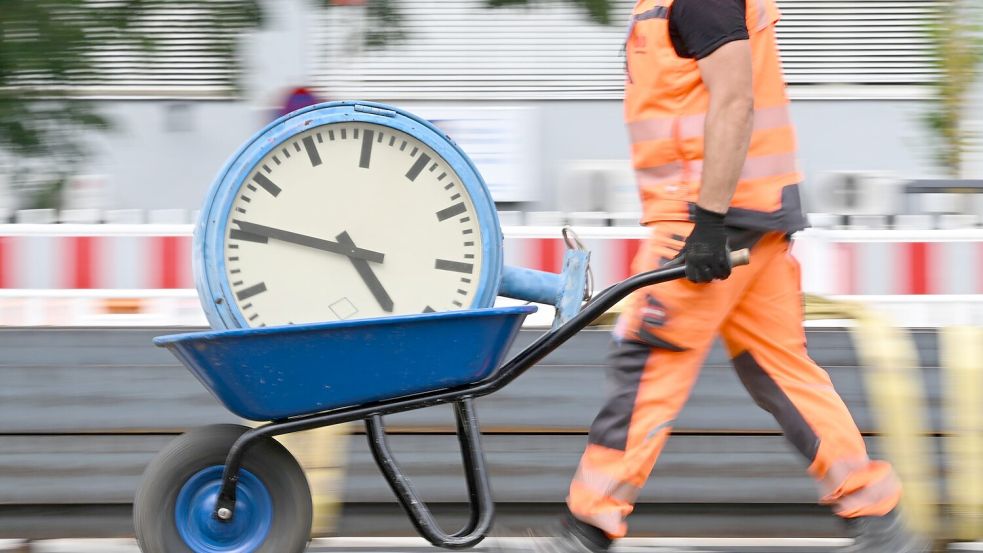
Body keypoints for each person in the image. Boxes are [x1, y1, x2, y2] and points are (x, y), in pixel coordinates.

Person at [523, 1, 930, 552]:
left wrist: (708, 222)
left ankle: (589, 526)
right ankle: (876, 515)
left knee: (647, 364)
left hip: (705, 221)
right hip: (755, 217)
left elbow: (735, 99)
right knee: (781, 372)